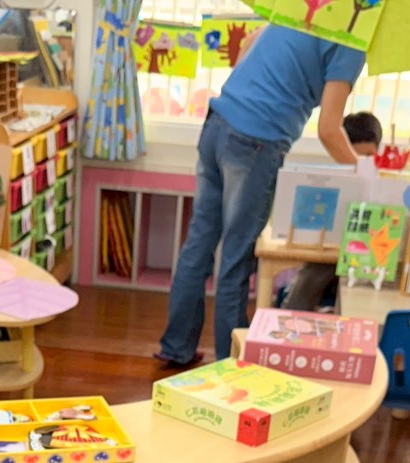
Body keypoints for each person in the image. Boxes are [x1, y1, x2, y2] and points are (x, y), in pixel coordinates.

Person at [155, 26, 366, 369]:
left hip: (219, 121)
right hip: (256, 141)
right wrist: (366, 175)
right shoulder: (352, 38)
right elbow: (329, 129)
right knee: (236, 259)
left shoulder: (305, 8)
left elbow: (249, 42)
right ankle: (232, 365)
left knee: (199, 243)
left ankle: (176, 347)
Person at [279, 112, 381, 313]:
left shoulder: (381, 179)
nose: (360, 163)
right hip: (329, 250)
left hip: (365, 255)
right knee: (314, 272)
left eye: (368, 157)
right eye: (354, 157)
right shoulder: (333, 182)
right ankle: (291, 316)